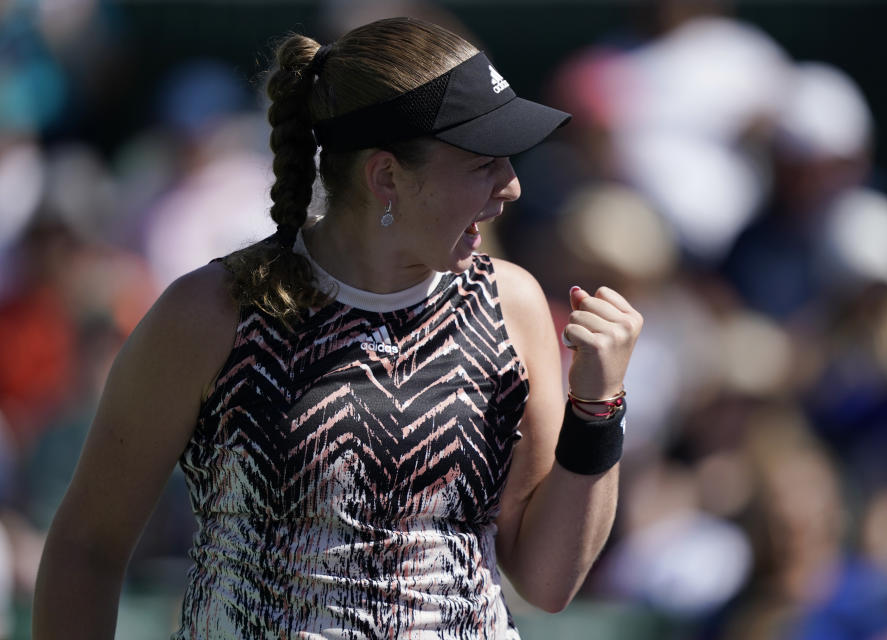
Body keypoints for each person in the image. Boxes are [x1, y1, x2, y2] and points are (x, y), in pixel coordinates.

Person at [32, 17, 643, 639]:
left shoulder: (512, 303)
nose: (511, 185)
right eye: (483, 162)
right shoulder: (210, 312)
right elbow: (88, 546)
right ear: (386, 178)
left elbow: (548, 582)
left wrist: (598, 407)